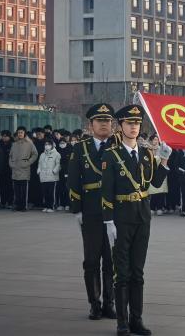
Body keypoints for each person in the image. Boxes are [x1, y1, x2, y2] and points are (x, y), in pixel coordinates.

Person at [101, 104, 171, 336]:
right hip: (121, 217)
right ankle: (122, 323)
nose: (134, 127)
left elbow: (154, 183)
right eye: (130, 123)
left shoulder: (146, 154)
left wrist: (164, 160)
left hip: (142, 215)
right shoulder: (111, 155)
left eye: (137, 124)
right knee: (122, 273)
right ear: (120, 125)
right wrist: (108, 221)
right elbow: (106, 191)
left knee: (138, 272)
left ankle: (136, 320)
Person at [68, 103, 117, 321]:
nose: (104, 124)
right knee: (91, 260)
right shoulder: (81, 148)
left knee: (111, 261)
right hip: (91, 210)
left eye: (107, 121)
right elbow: (72, 179)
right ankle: (94, 304)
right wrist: (77, 209)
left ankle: (109, 303)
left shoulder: (118, 146)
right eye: (100, 121)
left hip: (114, 211)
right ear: (91, 124)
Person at [9, 126, 39, 212]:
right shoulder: (14, 144)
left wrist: (28, 162)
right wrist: (11, 164)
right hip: (15, 169)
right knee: (16, 189)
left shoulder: (29, 143)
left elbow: (35, 154)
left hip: (24, 169)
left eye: (21, 132)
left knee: (24, 189)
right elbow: (10, 155)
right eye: (18, 132)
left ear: (24, 133)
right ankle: (17, 205)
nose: (20, 134)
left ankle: (23, 206)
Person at [147, 134, 168, 216]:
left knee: (161, 191)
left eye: (157, 139)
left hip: (161, 172)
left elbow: (165, 160)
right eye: (154, 139)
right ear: (151, 141)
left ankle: (159, 207)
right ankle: (152, 207)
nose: (156, 141)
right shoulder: (148, 150)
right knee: (152, 191)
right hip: (152, 173)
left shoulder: (161, 149)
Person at [38, 139, 61, 212]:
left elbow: (58, 164)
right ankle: (46, 206)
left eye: (48, 144)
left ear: (52, 145)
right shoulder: (42, 154)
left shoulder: (56, 154)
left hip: (52, 177)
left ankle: (51, 206)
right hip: (43, 176)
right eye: (46, 144)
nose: (47, 146)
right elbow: (39, 163)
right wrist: (39, 170)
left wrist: (54, 171)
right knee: (45, 193)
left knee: (51, 193)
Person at [55, 132, 72, 211]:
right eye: (60, 143)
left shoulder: (70, 150)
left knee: (67, 189)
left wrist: (67, 172)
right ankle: (61, 204)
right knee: (60, 188)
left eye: (63, 143)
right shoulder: (57, 151)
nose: (62, 144)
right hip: (59, 172)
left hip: (67, 172)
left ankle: (67, 204)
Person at [0, 130, 14, 209]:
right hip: (1, 168)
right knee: (2, 186)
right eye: (3, 136)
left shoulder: (12, 145)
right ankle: (3, 202)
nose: (4, 138)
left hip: (10, 169)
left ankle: (10, 202)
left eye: (6, 136)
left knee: (10, 186)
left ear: (9, 137)